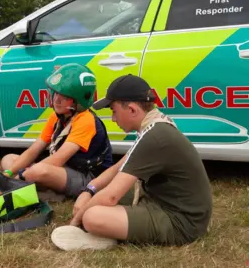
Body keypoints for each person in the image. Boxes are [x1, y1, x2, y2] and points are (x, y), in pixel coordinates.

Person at [50, 74, 213, 251]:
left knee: (92, 216)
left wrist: (76, 222)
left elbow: (111, 196)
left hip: (181, 222)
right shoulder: (154, 125)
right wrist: (89, 189)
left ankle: (105, 236)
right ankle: (111, 229)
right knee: (97, 198)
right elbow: (119, 166)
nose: (113, 118)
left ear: (133, 110)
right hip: (164, 203)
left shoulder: (155, 137)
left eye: (114, 111)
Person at [0, 63, 113, 199]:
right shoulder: (57, 116)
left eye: (65, 97)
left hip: (90, 177)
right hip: (67, 168)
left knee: (35, 171)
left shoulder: (86, 120)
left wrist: (21, 175)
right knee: (8, 159)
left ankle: (46, 190)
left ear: (79, 100)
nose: (57, 100)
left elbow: (58, 160)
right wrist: (8, 174)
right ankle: (44, 188)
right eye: (56, 93)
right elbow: (34, 150)